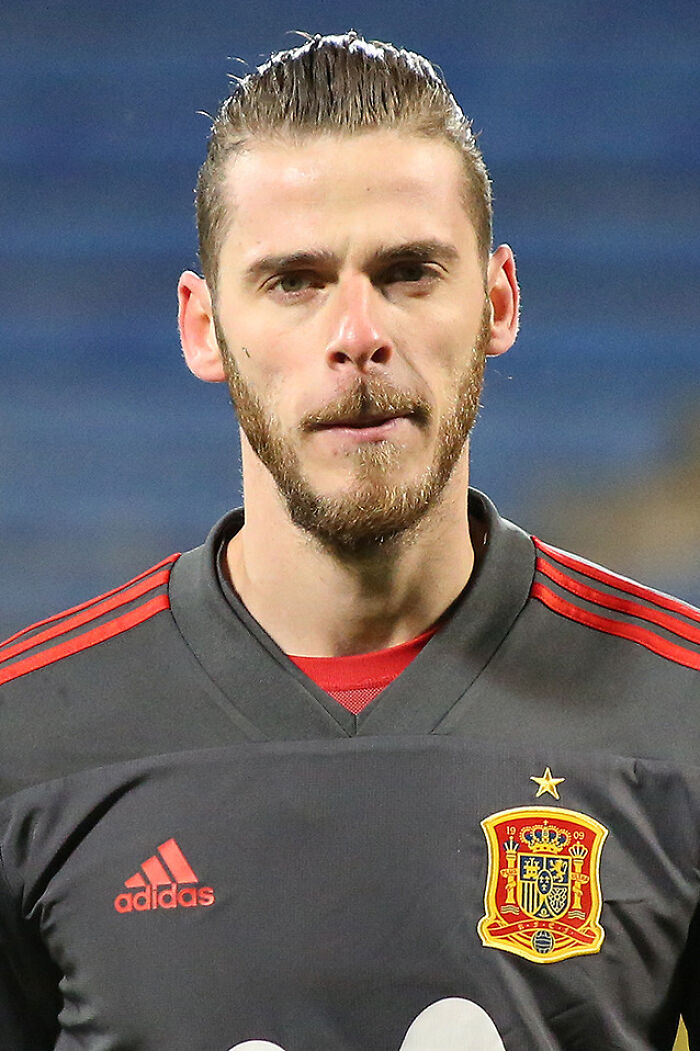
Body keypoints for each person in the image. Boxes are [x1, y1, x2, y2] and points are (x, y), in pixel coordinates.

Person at [0, 31, 697, 1051]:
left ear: (497, 301)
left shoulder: (679, 719)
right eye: (294, 280)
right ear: (203, 326)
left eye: (410, 272)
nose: (356, 331)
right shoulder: (28, 746)